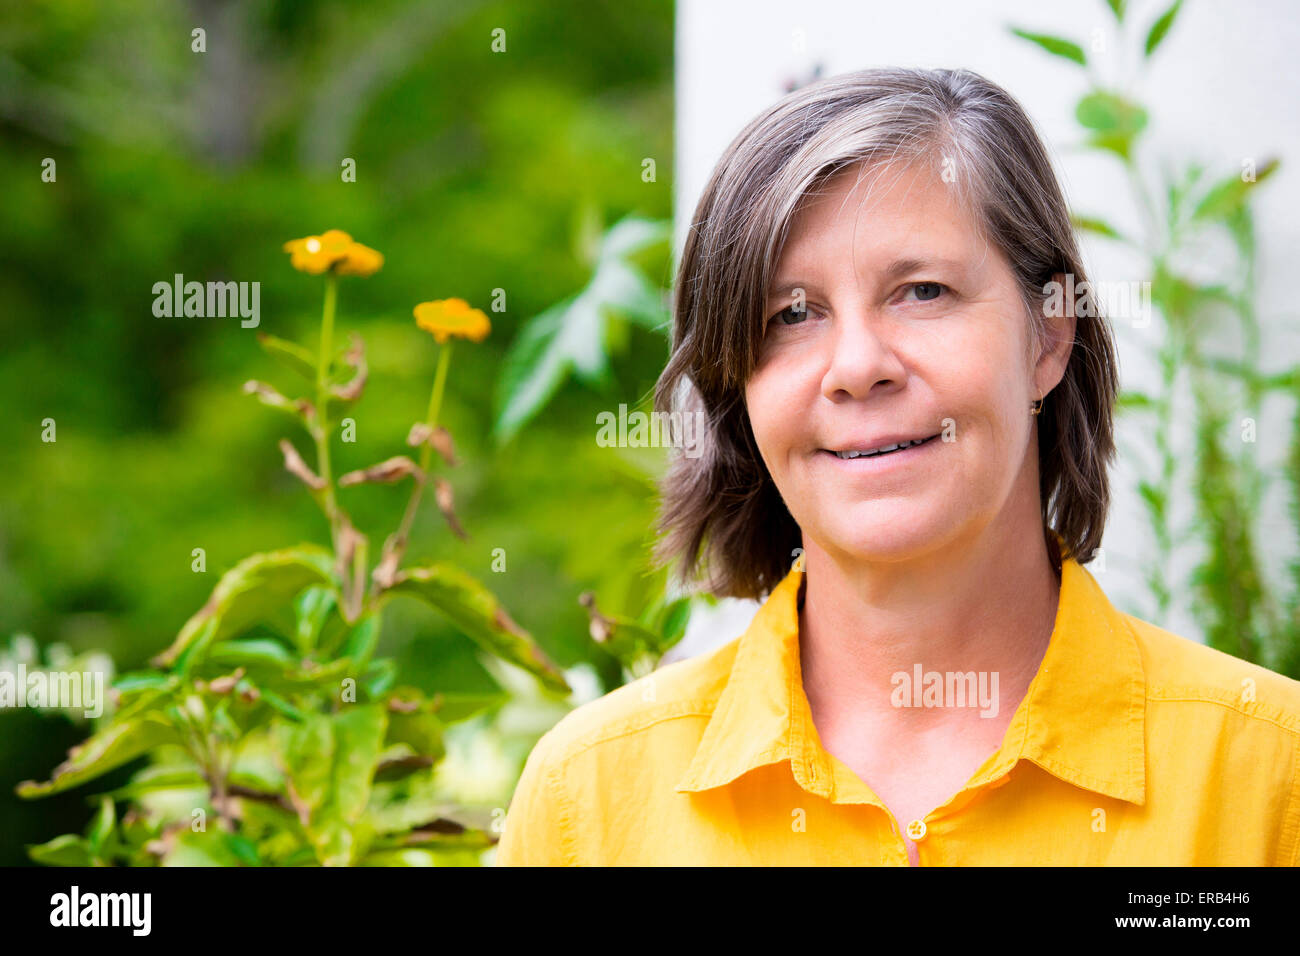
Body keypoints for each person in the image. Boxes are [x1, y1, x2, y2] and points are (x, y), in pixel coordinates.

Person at [495, 67, 1300, 866]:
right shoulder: (589, 803)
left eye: (922, 291)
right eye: (792, 314)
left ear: (1050, 336)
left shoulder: (1268, 775)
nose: (856, 366)